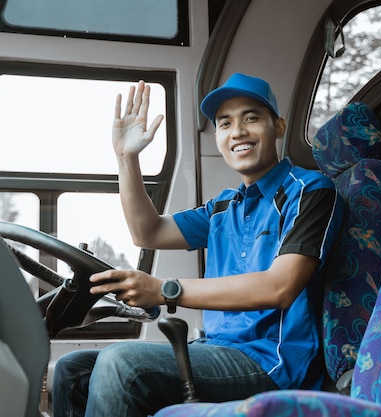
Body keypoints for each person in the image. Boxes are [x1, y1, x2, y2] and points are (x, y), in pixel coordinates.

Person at [52, 72, 344, 417]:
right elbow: (148, 232)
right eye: (225, 123)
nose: (238, 132)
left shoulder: (310, 190)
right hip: (214, 348)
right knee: (71, 369)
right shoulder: (224, 206)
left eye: (251, 117)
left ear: (278, 127)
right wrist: (126, 157)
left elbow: (280, 287)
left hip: (271, 362)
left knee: (122, 363)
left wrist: (166, 290)